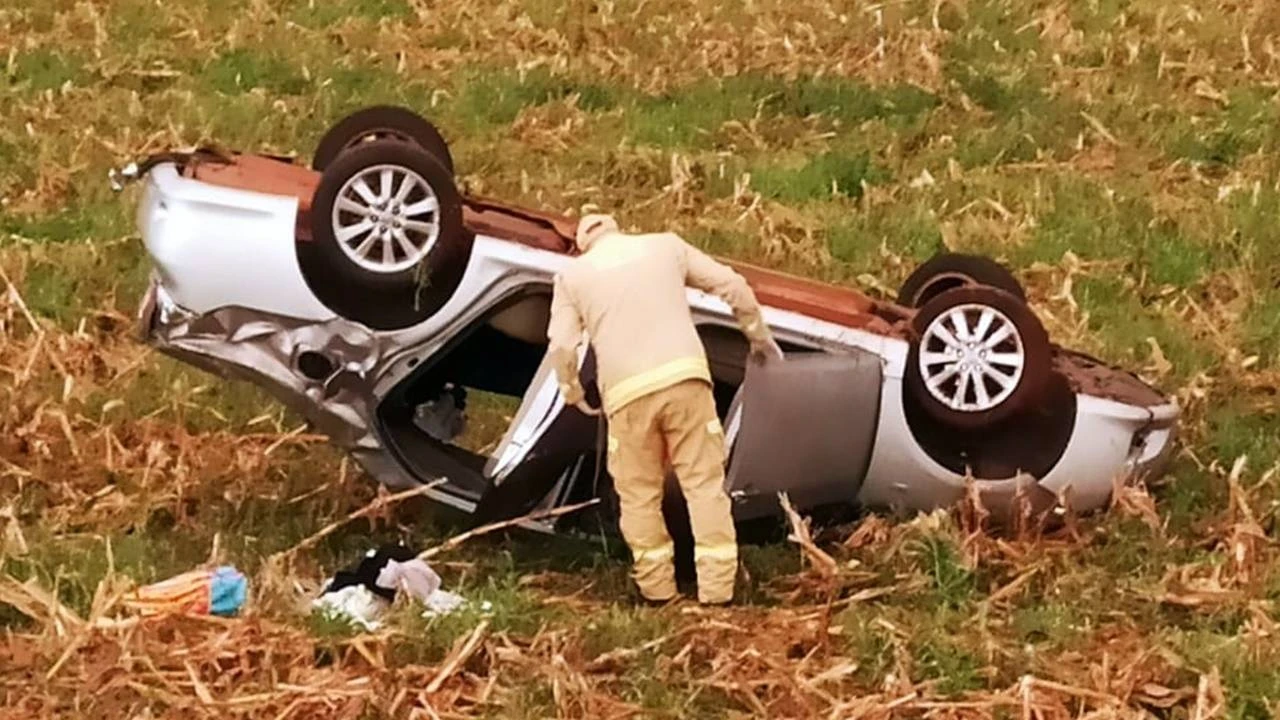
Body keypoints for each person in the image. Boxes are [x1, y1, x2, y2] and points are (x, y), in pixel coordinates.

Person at [545, 214, 780, 605]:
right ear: (618, 228)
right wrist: (759, 337)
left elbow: (562, 346)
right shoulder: (665, 246)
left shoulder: (572, 277)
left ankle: (658, 593)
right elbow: (733, 285)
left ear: (582, 243)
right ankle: (718, 593)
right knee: (704, 486)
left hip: (626, 395)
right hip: (686, 379)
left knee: (639, 496)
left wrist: (573, 392)